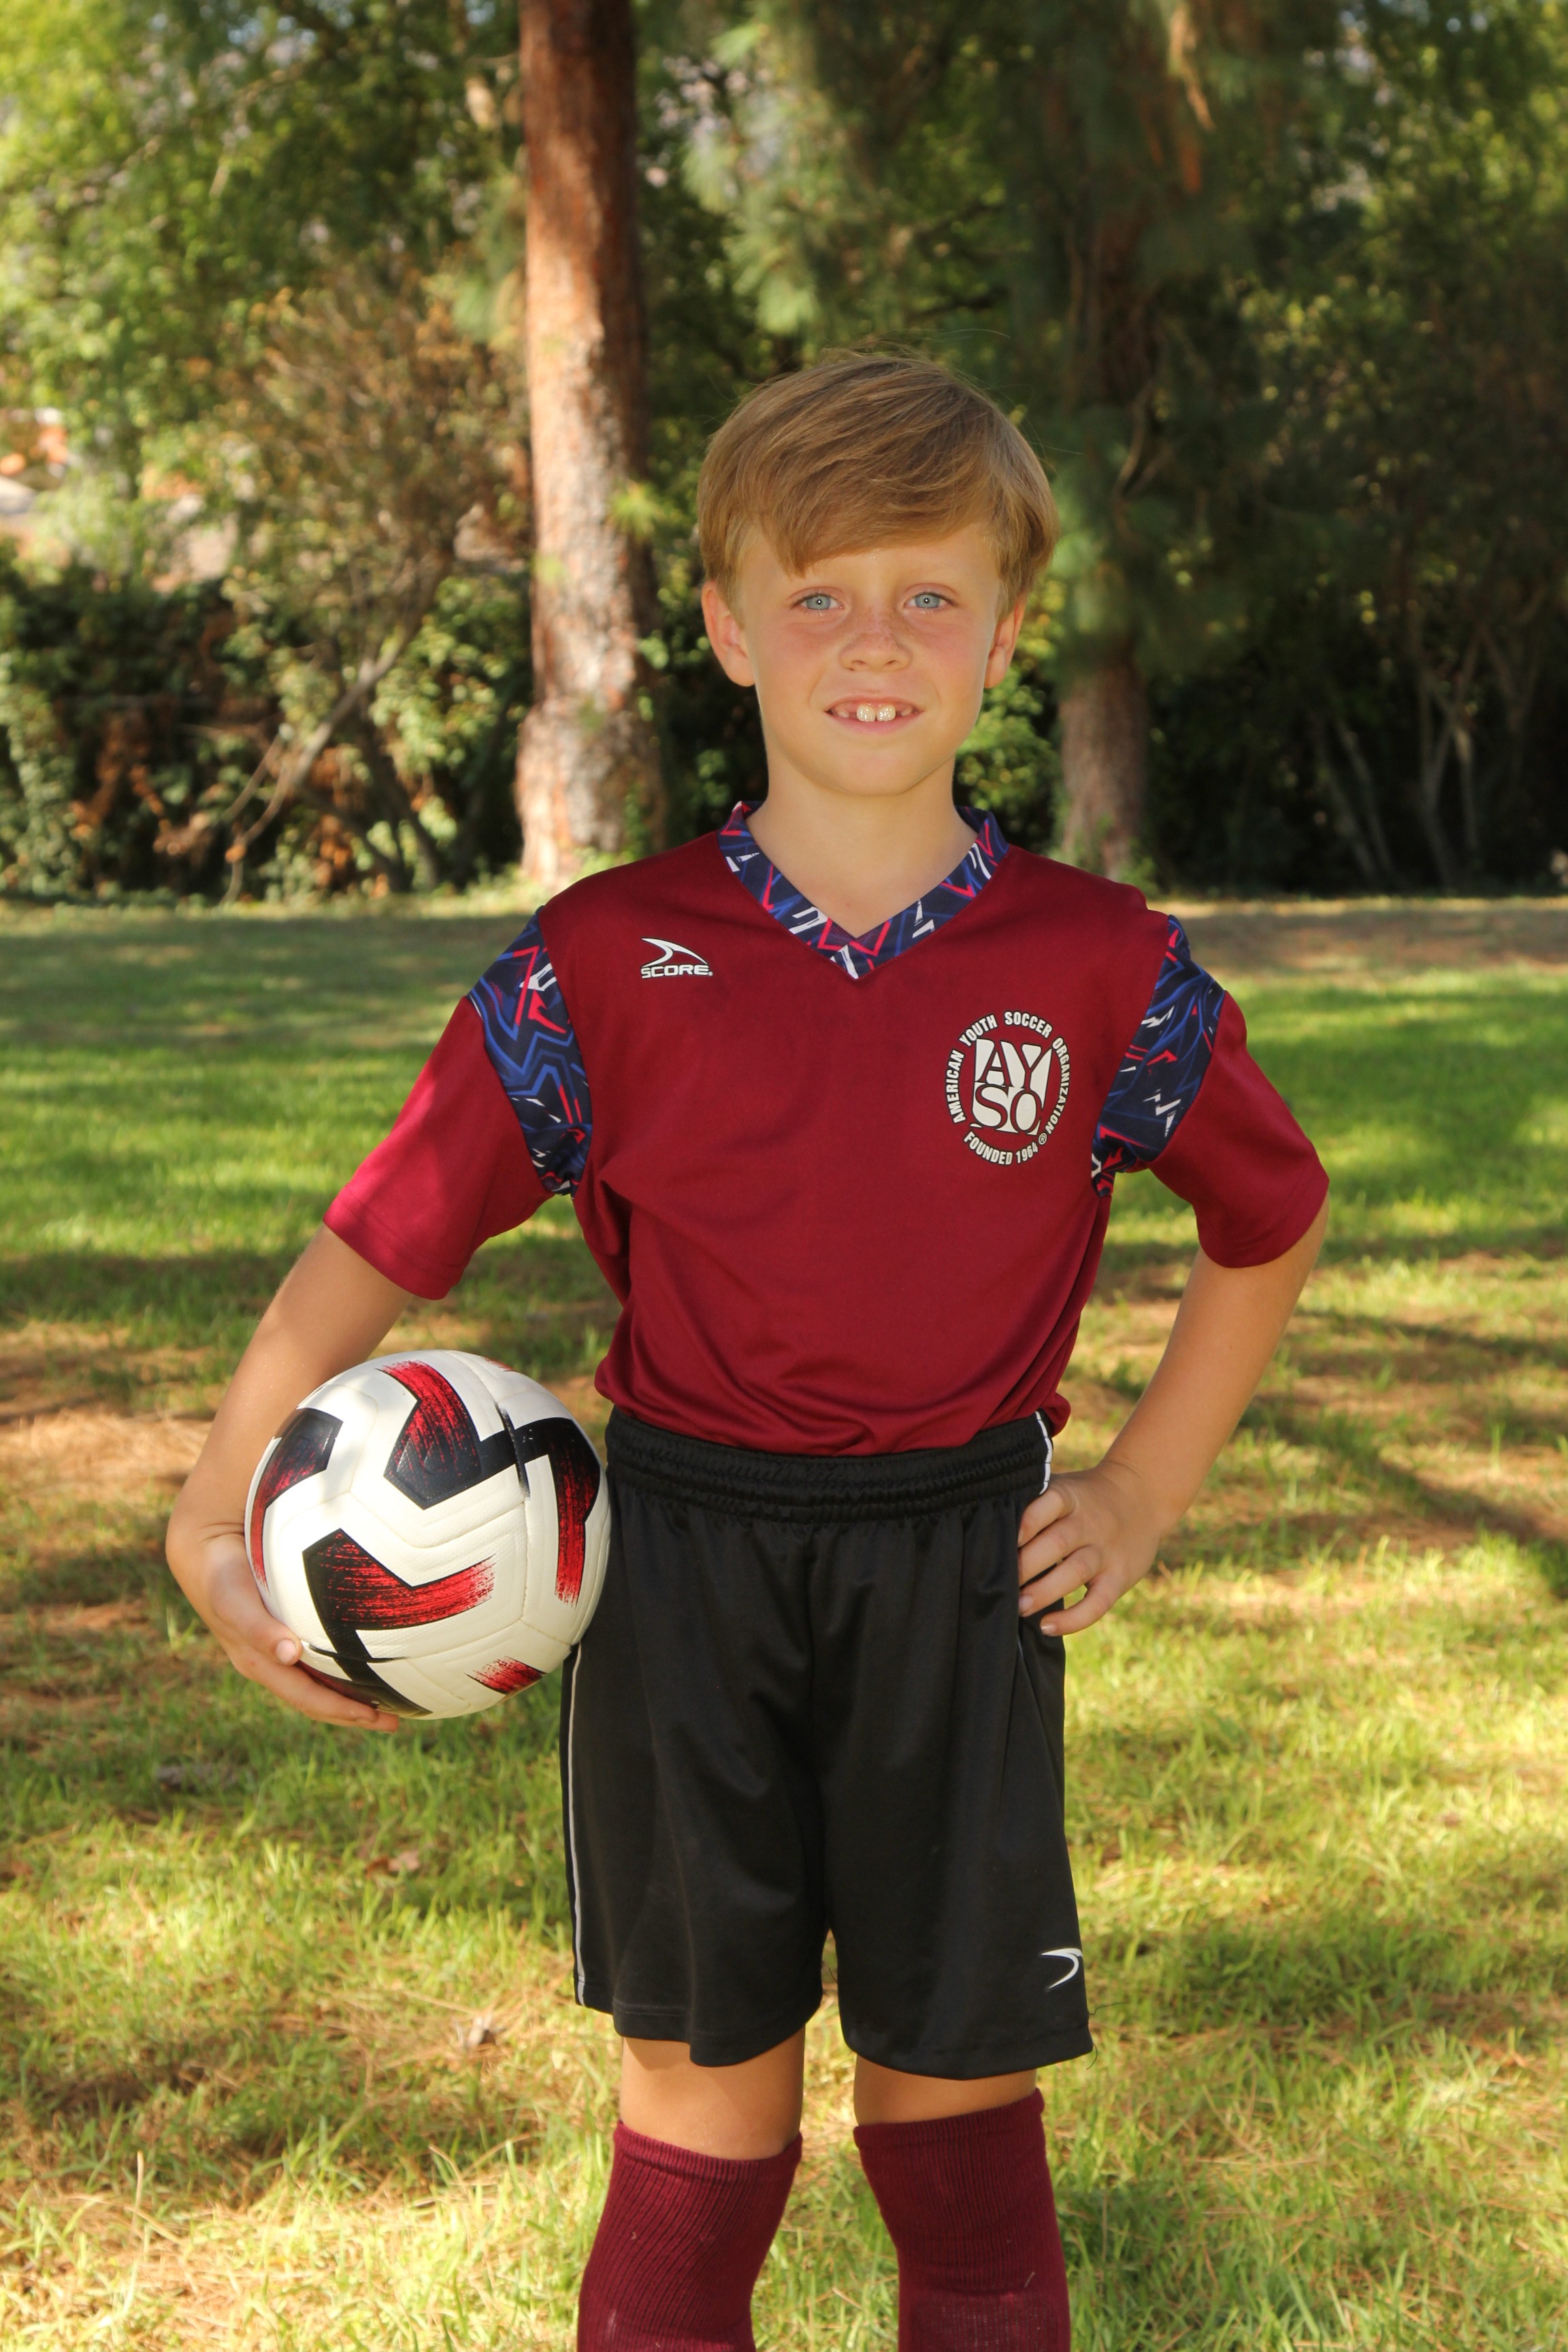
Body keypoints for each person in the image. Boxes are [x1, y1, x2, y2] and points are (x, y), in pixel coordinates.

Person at [167, 353, 1328, 2350]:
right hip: (679, 1574)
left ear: (1007, 634)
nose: (875, 642)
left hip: (962, 1575)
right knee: (703, 2131)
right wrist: (215, 1505)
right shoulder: (602, 960)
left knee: (959, 2141)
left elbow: (1271, 1214)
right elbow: (384, 1234)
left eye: (931, 594)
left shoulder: (1098, 965)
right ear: (723, 625)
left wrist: (1142, 1488)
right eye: (820, 593)